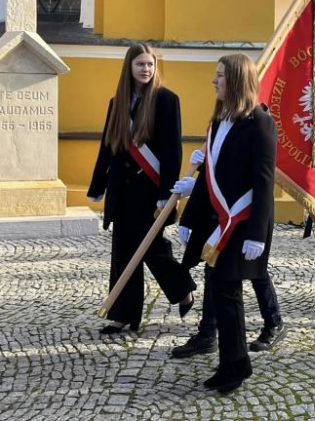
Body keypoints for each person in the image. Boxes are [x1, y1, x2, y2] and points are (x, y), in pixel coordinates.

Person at [172, 54, 278, 394]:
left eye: (220, 75)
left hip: (245, 223)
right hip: (221, 221)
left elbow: (263, 181)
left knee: (227, 290)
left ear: (235, 79)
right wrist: (190, 215)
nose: (214, 81)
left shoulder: (260, 122)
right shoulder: (220, 120)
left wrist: (258, 234)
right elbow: (211, 176)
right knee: (220, 288)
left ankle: (235, 366)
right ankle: (234, 362)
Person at [87, 43, 195, 334]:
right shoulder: (117, 102)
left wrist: (166, 194)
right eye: (140, 65)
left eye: (150, 64)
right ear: (129, 68)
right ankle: (124, 314)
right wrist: (97, 184)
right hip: (122, 190)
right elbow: (108, 146)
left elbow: (172, 150)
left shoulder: (166, 100)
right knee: (123, 250)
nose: (146, 69)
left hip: (151, 191)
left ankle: (182, 290)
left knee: (152, 247)